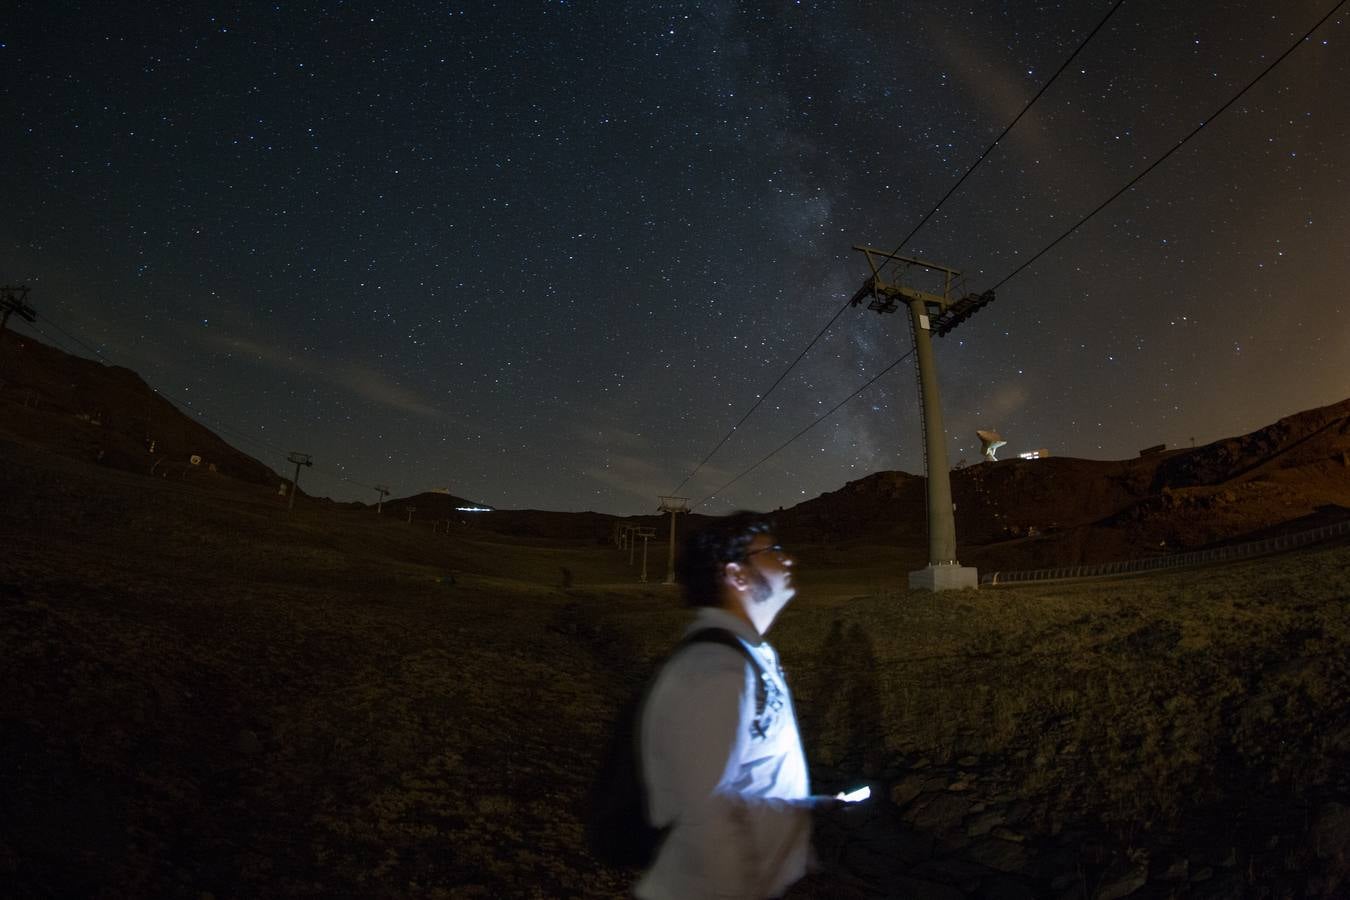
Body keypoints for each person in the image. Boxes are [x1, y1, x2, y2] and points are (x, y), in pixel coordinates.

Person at [636, 512, 829, 900]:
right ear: (737, 576)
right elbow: (703, 816)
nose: (787, 559)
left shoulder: (749, 654)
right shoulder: (714, 668)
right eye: (772, 552)